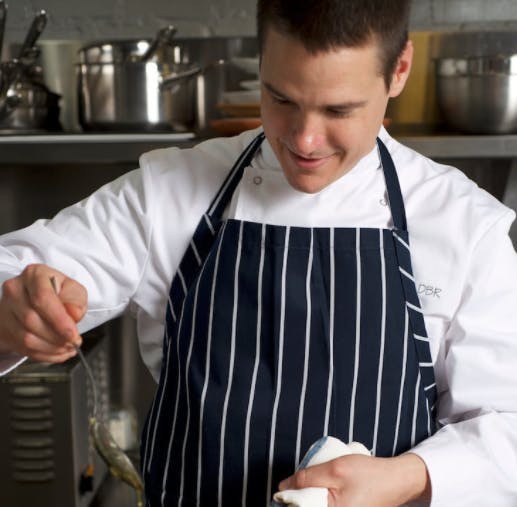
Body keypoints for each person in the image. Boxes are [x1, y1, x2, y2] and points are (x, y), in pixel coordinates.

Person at [1, 0, 517, 505]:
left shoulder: (463, 224)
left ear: (399, 69)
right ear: (262, 56)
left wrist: (409, 478)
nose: (305, 140)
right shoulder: (169, 192)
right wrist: (14, 309)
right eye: (282, 98)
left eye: (339, 109)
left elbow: (508, 428)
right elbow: (15, 272)